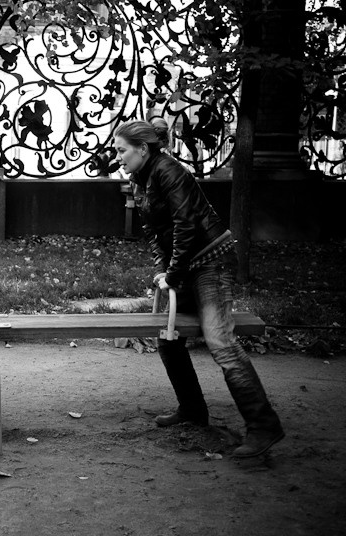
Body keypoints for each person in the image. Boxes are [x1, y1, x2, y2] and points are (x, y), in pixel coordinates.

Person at [112, 117, 284, 458]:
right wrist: (165, 269)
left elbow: (185, 225)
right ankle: (192, 410)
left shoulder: (170, 171)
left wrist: (173, 274)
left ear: (142, 149)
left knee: (220, 341)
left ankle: (264, 426)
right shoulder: (141, 177)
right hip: (188, 265)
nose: (117, 157)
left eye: (122, 150)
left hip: (210, 262)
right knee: (169, 335)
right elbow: (155, 231)